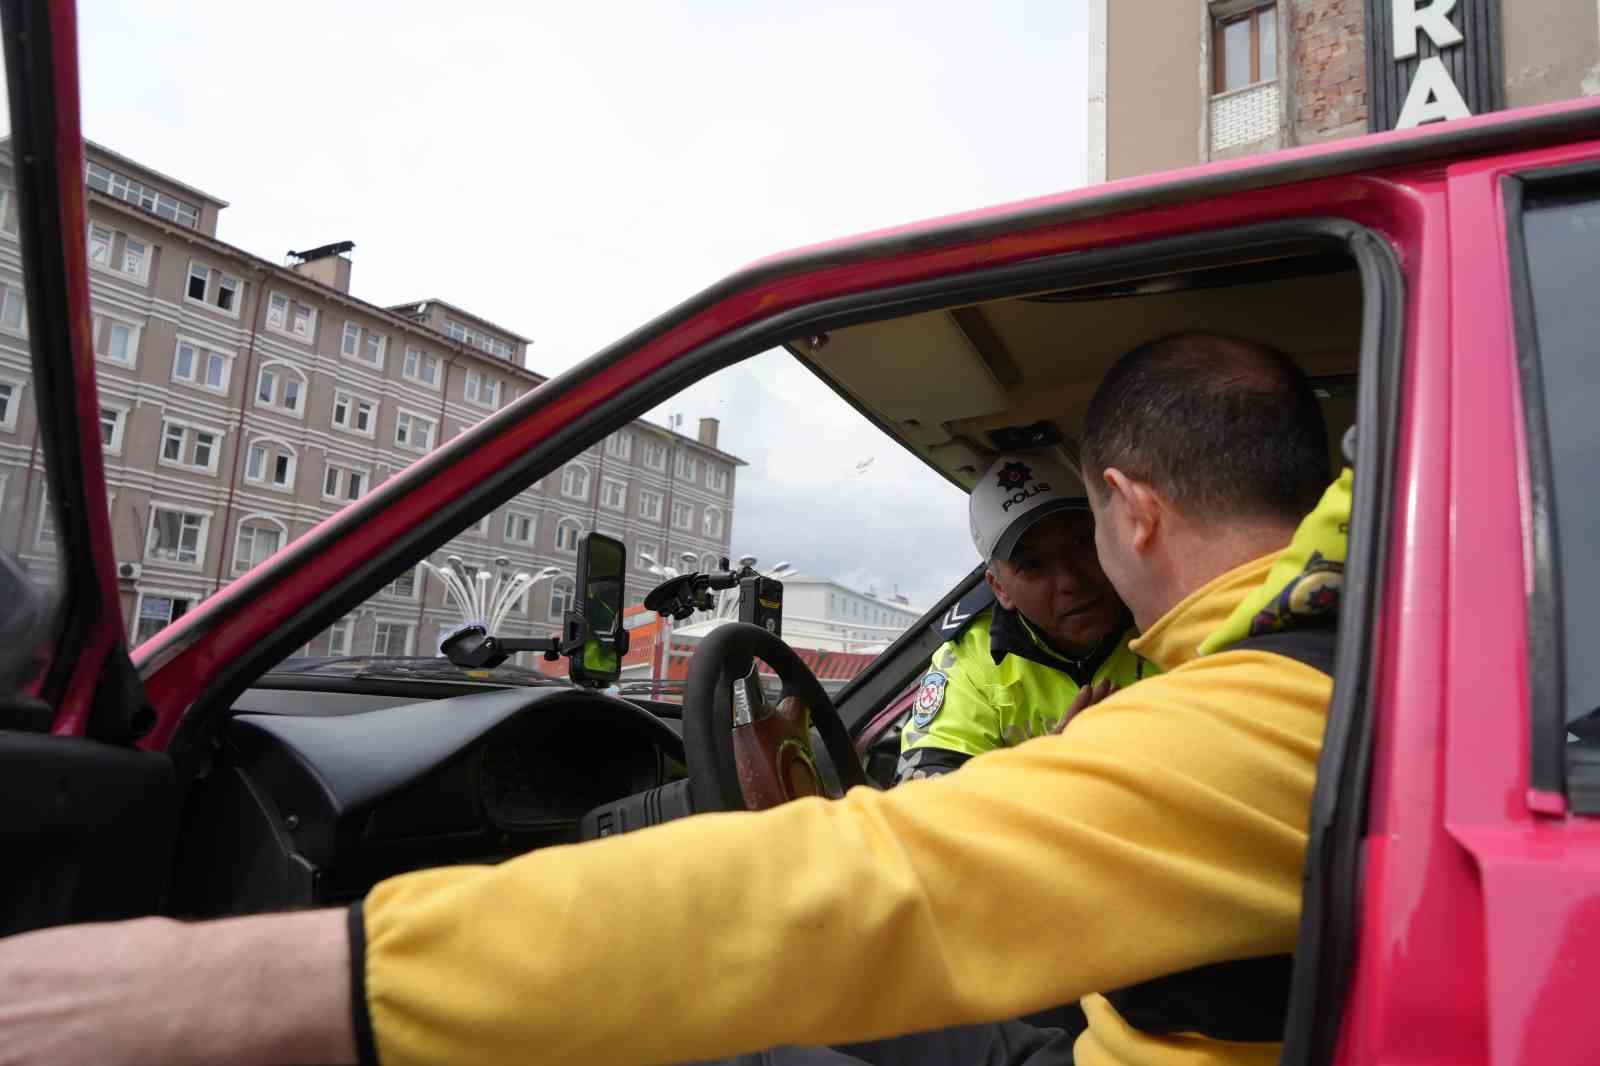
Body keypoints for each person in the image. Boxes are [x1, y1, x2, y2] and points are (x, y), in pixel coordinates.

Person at [0, 332, 1346, 1066]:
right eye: (1032, 562)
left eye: (1085, 537)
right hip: (1107, 1013)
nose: (1078, 577)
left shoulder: (1260, 708)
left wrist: (241, 979)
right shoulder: (1303, 657)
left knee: (679, 1034)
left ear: (1131, 509)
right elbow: (926, 825)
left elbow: (854, 888)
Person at [896, 454, 1151, 784]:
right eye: (1032, 565)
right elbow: (922, 788)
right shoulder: (972, 658)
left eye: (1081, 543)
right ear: (1000, 588)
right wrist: (1046, 768)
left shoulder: (1166, 619)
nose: (1071, 581)